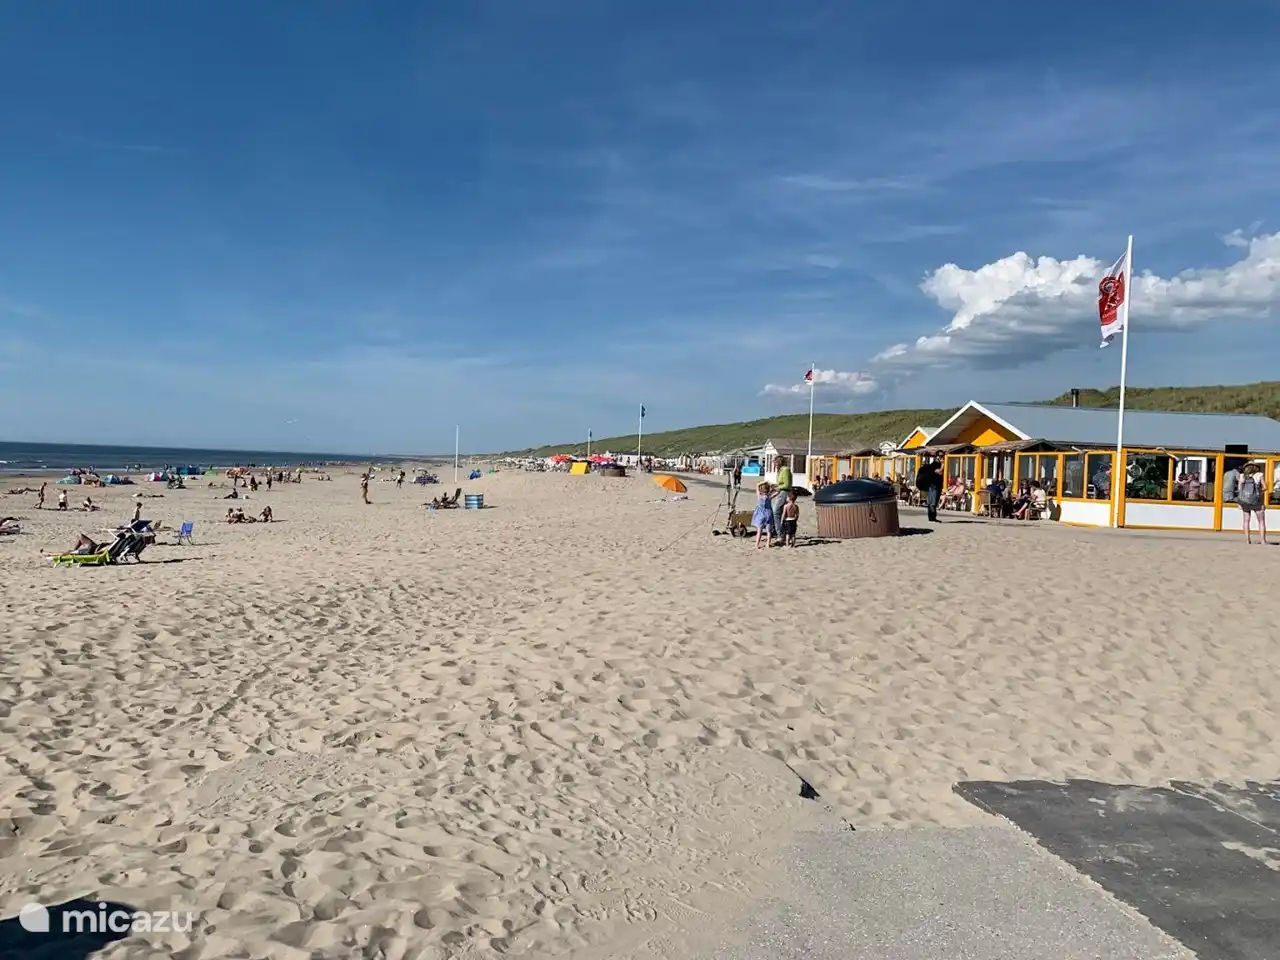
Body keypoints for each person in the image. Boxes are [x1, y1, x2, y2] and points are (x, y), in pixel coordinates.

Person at [1237, 465, 1267, 545]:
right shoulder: (1259, 475)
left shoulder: (1242, 476)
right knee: (1261, 521)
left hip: (1245, 501)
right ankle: (1263, 540)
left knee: (1246, 521)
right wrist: (1258, 491)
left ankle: (1247, 540)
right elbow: (1265, 487)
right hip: (1257, 502)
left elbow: (1240, 490)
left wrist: (1240, 502)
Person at [915, 457, 943, 522]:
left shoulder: (931, 466)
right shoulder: (934, 466)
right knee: (932, 503)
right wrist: (943, 464)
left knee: (933, 502)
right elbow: (940, 472)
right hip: (933, 486)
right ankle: (932, 517)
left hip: (934, 486)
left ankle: (932, 517)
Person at [752, 481, 776, 550]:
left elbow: (757, 484)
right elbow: (778, 491)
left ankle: (756, 545)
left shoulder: (760, 496)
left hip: (761, 514)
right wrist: (772, 487)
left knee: (759, 531)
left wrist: (765, 481)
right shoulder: (769, 497)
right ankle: (768, 544)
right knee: (769, 531)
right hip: (768, 514)